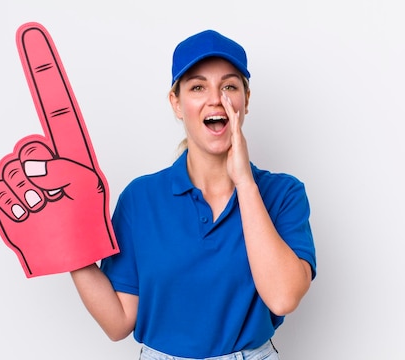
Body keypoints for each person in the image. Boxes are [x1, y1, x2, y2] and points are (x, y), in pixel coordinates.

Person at [70, 29, 317, 359]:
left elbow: (284, 297)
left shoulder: (283, 194)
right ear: (177, 103)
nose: (216, 99)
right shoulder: (140, 199)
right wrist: (68, 246)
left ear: (245, 100)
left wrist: (244, 183)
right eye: (198, 87)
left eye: (229, 86)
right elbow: (118, 322)